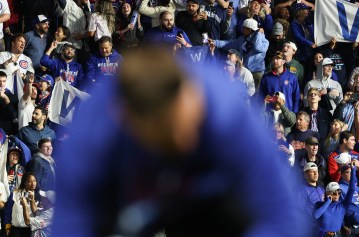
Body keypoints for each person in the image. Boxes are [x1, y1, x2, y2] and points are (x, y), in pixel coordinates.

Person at [53, 47, 308, 236]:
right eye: (170, 131)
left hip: (214, 192)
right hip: (134, 189)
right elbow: (71, 223)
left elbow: (283, 215)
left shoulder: (226, 108)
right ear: (126, 119)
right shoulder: (92, 133)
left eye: (192, 125)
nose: (185, 140)